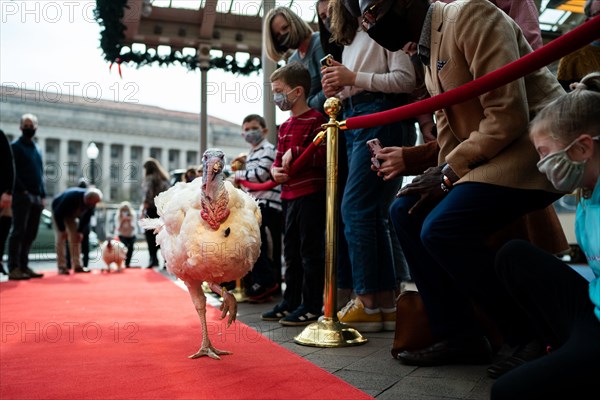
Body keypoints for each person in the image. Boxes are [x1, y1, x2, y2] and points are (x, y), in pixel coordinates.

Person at [340, 0, 568, 369]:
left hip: (534, 147)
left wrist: (448, 174)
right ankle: (458, 335)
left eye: (372, 11)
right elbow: (449, 131)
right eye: (364, 19)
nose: (369, 25)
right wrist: (433, 173)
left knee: (442, 226)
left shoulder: (472, 15)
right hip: (495, 153)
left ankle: (526, 333)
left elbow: (508, 116)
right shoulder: (427, 49)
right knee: (404, 210)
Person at [491, 72, 600, 399]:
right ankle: (562, 352)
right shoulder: (587, 192)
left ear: (582, 147)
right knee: (514, 256)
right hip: (592, 308)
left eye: (544, 153)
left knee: (507, 392)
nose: (542, 165)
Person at [322, 0, 417, 332]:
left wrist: (352, 77)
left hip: (379, 117)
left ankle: (370, 301)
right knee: (370, 212)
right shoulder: (352, 36)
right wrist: (341, 86)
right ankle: (382, 304)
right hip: (356, 117)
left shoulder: (384, 25)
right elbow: (363, 82)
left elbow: (406, 79)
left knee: (358, 209)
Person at [261, 62, 328, 326]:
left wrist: (298, 153)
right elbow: (277, 162)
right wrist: (274, 171)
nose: (276, 97)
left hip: (310, 195)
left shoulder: (318, 120)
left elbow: (323, 155)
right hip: (288, 197)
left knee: (309, 251)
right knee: (290, 252)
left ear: (297, 91)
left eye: (279, 91)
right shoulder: (285, 126)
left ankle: (311, 304)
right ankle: (292, 301)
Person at [234, 114, 283, 302]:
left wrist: (237, 174)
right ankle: (259, 282)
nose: (249, 132)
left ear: (264, 130)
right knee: (255, 243)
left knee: (257, 243)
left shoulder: (268, 150)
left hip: (268, 204)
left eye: (253, 128)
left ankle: (267, 281)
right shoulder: (252, 154)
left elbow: (261, 175)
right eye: (246, 129)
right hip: (255, 203)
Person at [264, 7, 327, 114]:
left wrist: (304, 106)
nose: (283, 35)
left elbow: (331, 89)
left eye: (285, 28)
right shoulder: (292, 61)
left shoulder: (319, 43)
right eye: (278, 35)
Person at [7, 113, 46, 280]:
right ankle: (14, 267)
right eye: (26, 125)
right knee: (19, 231)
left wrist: (42, 195)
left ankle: (24, 265)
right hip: (22, 196)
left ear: (36, 128)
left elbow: (40, 173)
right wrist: (22, 191)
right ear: (21, 127)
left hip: (36, 197)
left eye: (32, 125)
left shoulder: (37, 148)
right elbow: (12, 172)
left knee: (31, 233)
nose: (29, 128)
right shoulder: (15, 147)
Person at [52, 187, 103, 275]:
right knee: (61, 238)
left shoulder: (92, 203)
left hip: (71, 215)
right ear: (88, 199)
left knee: (75, 238)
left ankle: (77, 265)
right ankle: (62, 267)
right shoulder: (71, 197)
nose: (94, 205)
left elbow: (86, 218)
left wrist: (80, 232)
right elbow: (58, 213)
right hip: (59, 212)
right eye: (93, 203)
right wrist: (62, 229)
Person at [556, 0, 600, 91]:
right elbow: (560, 95)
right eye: (599, 13)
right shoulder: (572, 58)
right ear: (588, 21)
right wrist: (578, 91)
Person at [141, 158, 170, 268]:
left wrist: (144, 206)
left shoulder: (149, 179)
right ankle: (166, 261)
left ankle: (153, 259)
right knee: (163, 235)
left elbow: (147, 193)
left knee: (150, 235)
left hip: (151, 209)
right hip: (163, 210)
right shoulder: (164, 179)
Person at [0, 130, 14, 276]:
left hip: (1, 193)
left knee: (5, 224)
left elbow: (9, 165)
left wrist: (8, 191)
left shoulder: (1, 136)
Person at [115, 201, 137, 268]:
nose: (125, 212)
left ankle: (127, 263)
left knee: (130, 248)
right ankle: (121, 262)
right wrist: (122, 221)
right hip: (122, 235)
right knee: (123, 248)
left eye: (126, 210)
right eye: (123, 210)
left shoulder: (133, 215)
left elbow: (134, 228)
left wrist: (129, 221)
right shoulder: (118, 216)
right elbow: (117, 228)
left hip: (131, 235)